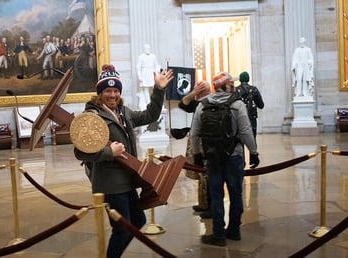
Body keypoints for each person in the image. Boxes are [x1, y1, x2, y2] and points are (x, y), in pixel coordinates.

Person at [74, 64, 173, 258]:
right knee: (122, 229)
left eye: (116, 90)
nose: (112, 95)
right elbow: (80, 153)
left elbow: (150, 115)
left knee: (137, 221)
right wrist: (109, 152)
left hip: (128, 180)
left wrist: (159, 90)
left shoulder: (124, 112)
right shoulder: (91, 117)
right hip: (110, 183)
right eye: (108, 91)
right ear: (100, 93)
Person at [190, 71, 260, 246]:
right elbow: (245, 131)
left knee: (216, 195)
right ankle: (234, 230)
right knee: (236, 194)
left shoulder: (202, 105)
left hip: (212, 157)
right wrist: (253, 152)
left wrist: (197, 155)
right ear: (226, 86)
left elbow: (195, 133)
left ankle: (219, 234)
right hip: (234, 156)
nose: (233, 86)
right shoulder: (237, 105)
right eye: (231, 83)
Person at [178, 81, 211, 217]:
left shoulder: (205, 103)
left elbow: (183, 102)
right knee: (202, 176)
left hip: (205, 145)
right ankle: (203, 203)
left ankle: (210, 206)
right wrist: (194, 93)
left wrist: (194, 93)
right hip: (201, 144)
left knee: (206, 176)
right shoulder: (200, 102)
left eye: (197, 88)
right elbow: (183, 103)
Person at [236, 71, 265, 139]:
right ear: (248, 79)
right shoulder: (254, 89)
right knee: (252, 139)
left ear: (240, 79)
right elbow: (261, 105)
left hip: (240, 118)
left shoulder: (236, 90)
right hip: (252, 117)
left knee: (239, 141)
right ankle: (253, 149)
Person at [136, 43, 160, 109]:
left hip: (152, 73)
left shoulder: (153, 56)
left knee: (153, 87)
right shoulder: (141, 57)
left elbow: (156, 65)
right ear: (144, 49)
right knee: (145, 88)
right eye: (146, 48)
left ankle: (153, 101)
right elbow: (138, 67)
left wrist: (157, 72)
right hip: (144, 73)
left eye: (149, 48)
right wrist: (139, 76)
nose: (148, 50)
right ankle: (148, 102)